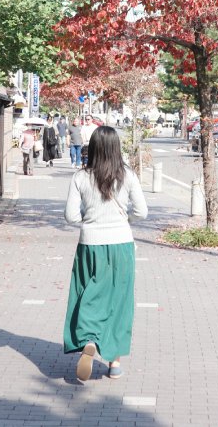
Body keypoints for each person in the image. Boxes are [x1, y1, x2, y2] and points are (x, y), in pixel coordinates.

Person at [63, 126, 148, 381]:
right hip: (121, 244)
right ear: (116, 148)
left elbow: (70, 216)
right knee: (119, 302)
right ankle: (114, 364)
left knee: (87, 293)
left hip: (90, 243)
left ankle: (89, 338)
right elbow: (143, 212)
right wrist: (126, 220)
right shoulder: (128, 176)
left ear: (94, 147)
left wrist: (88, 222)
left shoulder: (80, 177)